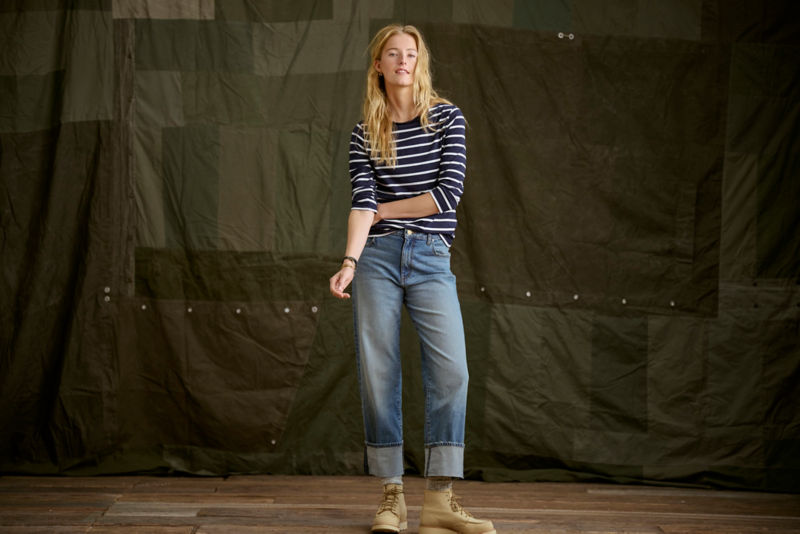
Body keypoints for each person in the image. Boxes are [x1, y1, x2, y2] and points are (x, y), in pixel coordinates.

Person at [329, 24, 495, 534]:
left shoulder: (447, 118)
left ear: (419, 63)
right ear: (378, 65)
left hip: (429, 256)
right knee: (380, 373)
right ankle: (392, 498)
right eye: (392, 54)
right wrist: (349, 262)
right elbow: (360, 205)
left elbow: (445, 196)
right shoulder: (365, 131)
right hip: (376, 258)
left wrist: (383, 209)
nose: (403, 61)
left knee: (452, 373)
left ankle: (441, 500)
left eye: (411, 54)